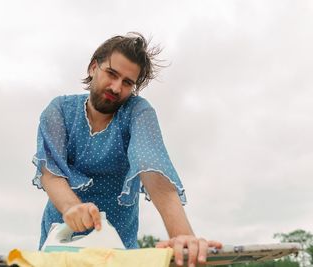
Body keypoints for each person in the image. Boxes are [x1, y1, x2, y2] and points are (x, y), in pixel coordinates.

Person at [32, 32, 222, 266]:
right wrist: (73, 208)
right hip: (60, 242)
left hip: (119, 247)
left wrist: (183, 237)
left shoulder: (137, 113)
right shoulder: (59, 110)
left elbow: (152, 170)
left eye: (127, 82)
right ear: (93, 67)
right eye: (111, 73)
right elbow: (51, 173)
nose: (116, 87)